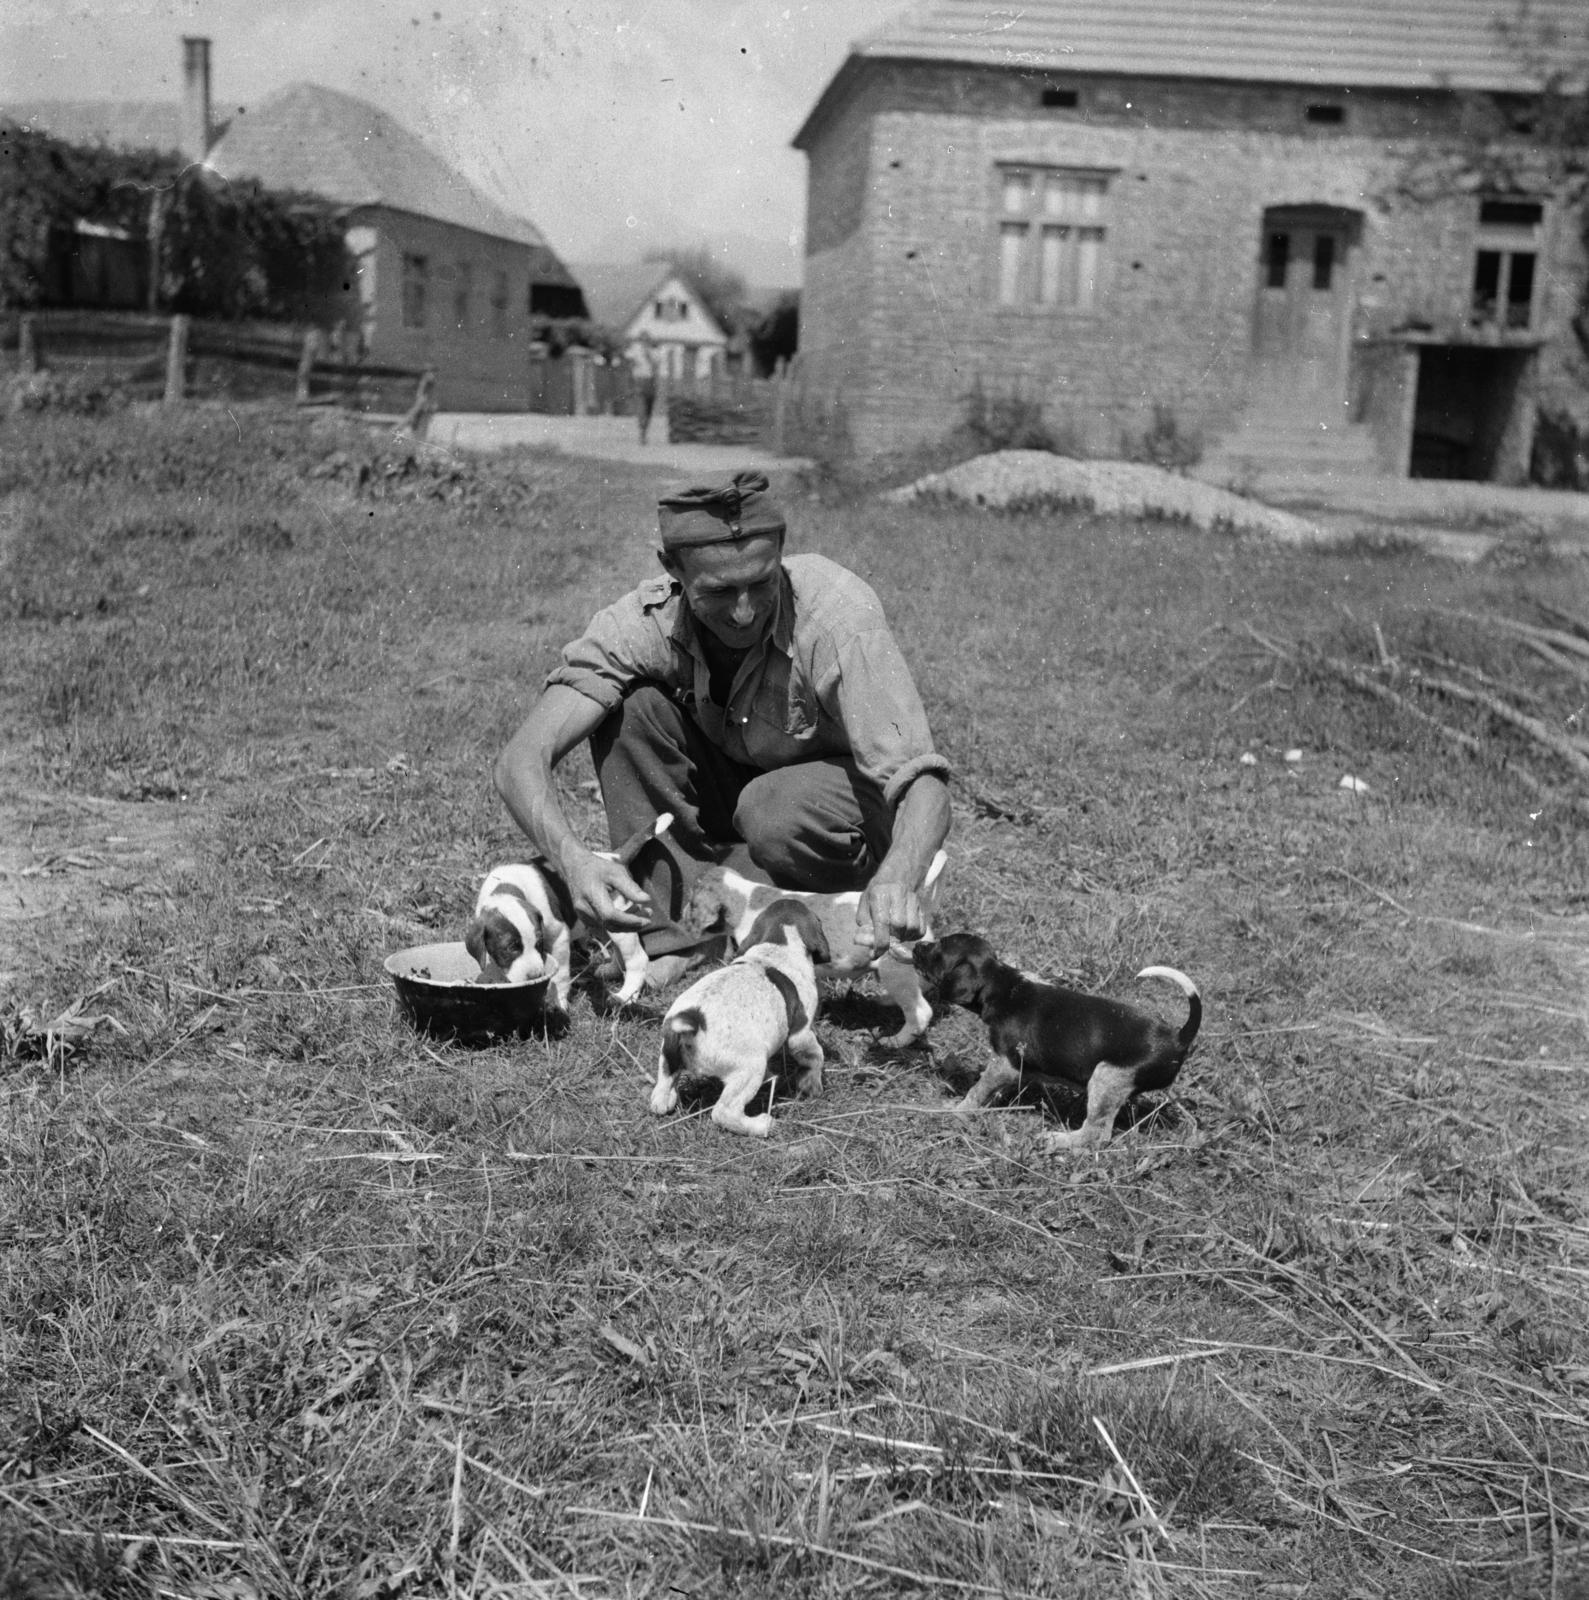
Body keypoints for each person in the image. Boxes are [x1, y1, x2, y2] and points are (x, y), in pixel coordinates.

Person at [493, 468, 951, 967]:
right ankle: (677, 937)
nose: (743, 612)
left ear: (781, 553)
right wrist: (573, 861)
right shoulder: (643, 623)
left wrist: (900, 875)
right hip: (749, 798)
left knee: (770, 807)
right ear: (674, 570)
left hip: (842, 817)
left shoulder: (838, 616)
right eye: (717, 592)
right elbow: (521, 758)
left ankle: (832, 918)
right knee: (631, 710)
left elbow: (922, 782)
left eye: (761, 583)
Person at [634, 336, 660, 445]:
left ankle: (645, 432)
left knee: (649, 409)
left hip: (651, 382)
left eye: (647, 342)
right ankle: (642, 434)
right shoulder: (636, 353)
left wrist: (648, 355)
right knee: (642, 408)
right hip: (641, 381)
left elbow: (656, 366)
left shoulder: (655, 353)